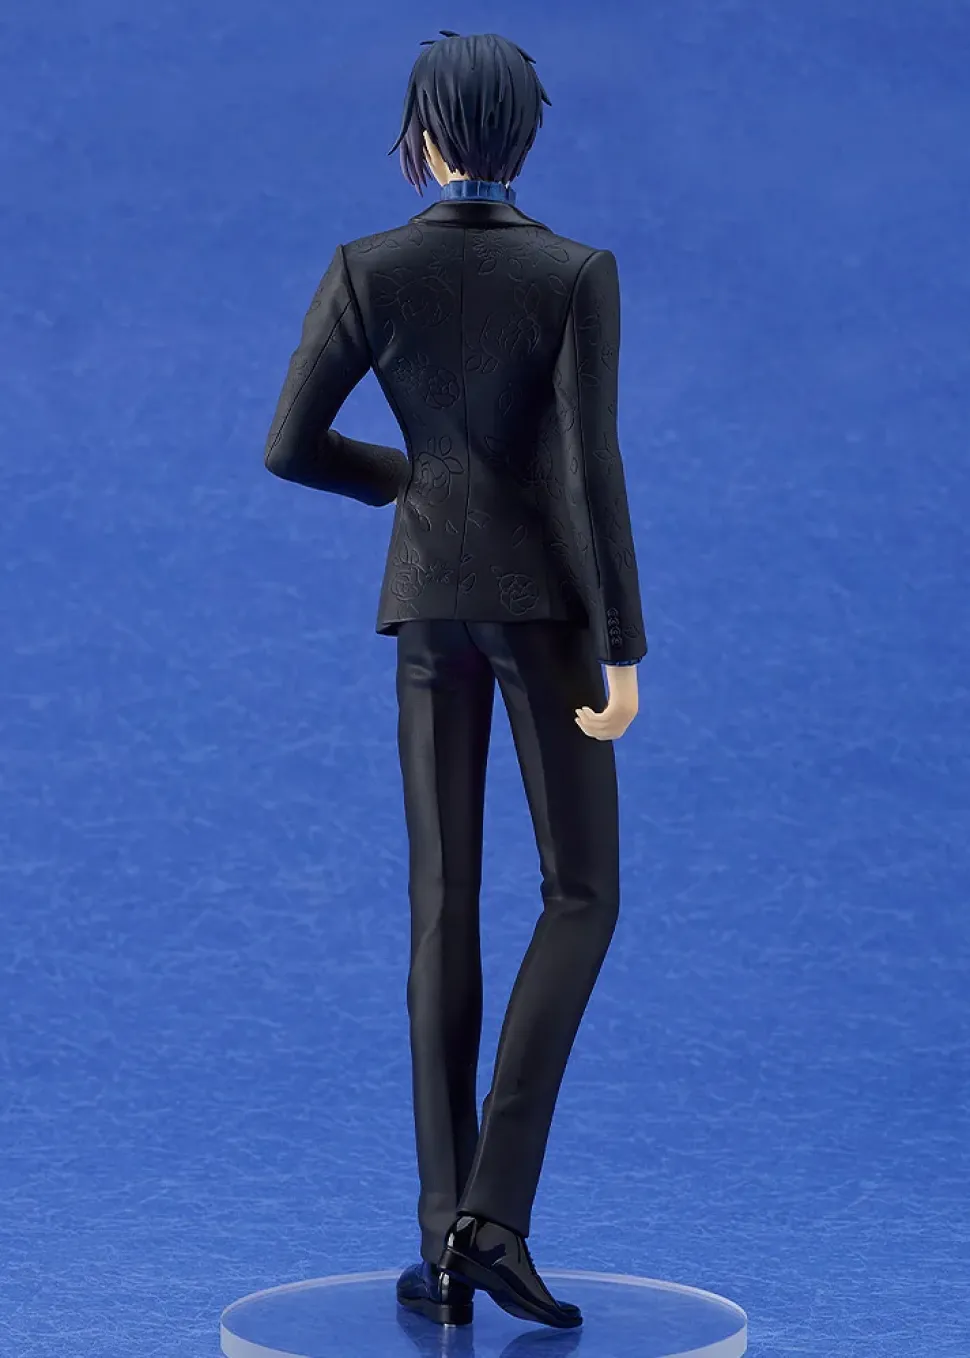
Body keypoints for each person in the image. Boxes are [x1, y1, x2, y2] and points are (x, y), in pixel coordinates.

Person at [264, 29, 647, 1331]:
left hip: (429, 602)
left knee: (444, 903)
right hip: (543, 610)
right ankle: (494, 1214)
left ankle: (444, 1243)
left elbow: (291, 444)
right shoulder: (574, 273)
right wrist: (624, 646)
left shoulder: (366, 268)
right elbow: (590, 469)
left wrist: (410, 481)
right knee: (581, 892)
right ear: (523, 135)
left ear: (422, 137)